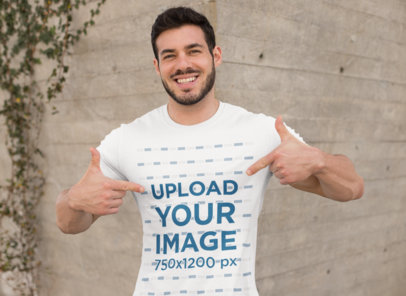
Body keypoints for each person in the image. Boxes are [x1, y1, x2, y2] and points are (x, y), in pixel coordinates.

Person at [56, 6, 364, 296]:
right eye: (169, 56)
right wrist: (73, 201)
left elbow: (352, 188)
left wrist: (319, 162)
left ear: (215, 55)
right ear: (157, 66)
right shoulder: (127, 139)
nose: (183, 65)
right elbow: (69, 224)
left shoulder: (260, 132)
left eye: (193, 51)